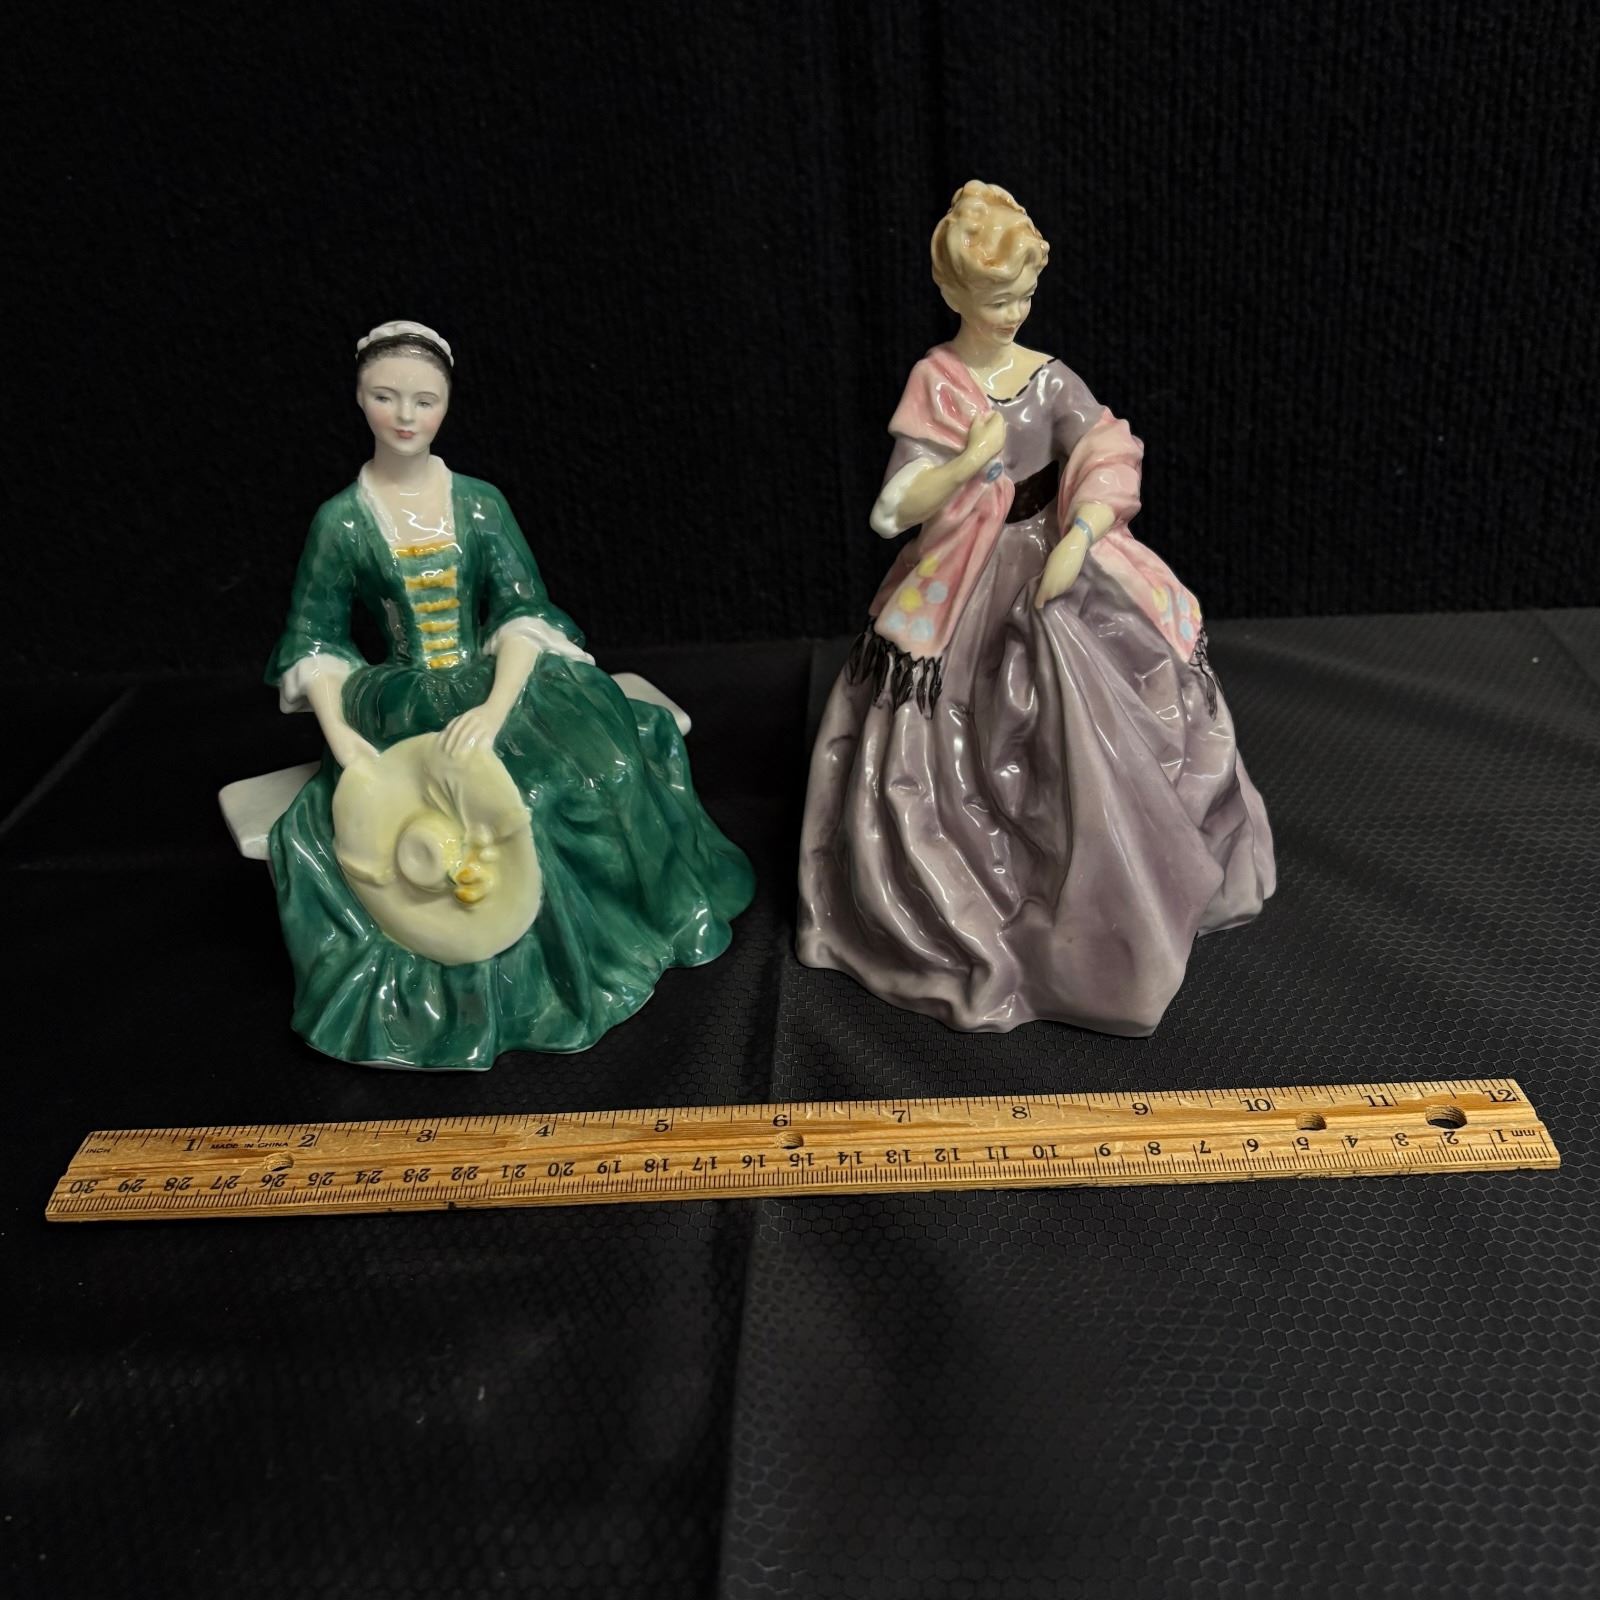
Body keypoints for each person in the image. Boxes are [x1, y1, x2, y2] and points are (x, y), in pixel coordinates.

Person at [797, 185, 1275, 1036]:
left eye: (1024, 295)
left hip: (1056, 557)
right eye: (997, 299)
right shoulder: (938, 384)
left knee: (1107, 695)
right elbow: (893, 509)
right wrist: (966, 463)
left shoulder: (1048, 378)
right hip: (965, 577)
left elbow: (1105, 447)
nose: (1015, 313)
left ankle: (1129, 890)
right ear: (953, 294)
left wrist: (1080, 534)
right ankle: (992, 902)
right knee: (960, 723)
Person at [265, 320, 753, 1067]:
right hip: (399, 699)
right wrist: (343, 739)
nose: (405, 415)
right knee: (509, 802)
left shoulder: (480, 504)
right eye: (386, 396)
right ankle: (517, 971)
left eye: (424, 400)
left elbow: (524, 611)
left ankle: (650, 917)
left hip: (500, 680)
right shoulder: (341, 521)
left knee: (604, 767)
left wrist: (495, 708)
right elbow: (315, 640)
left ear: (447, 404)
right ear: (359, 398)